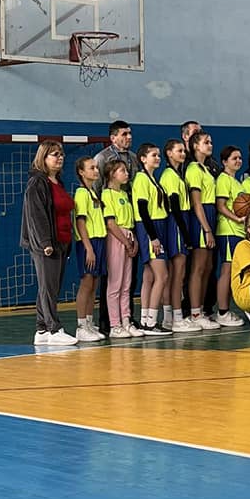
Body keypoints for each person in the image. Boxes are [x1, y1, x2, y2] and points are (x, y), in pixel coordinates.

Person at [20, 140, 77, 346]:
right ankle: (54, 329)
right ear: (43, 158)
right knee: (48, 288)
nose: (59, 158)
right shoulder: (37, 183)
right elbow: (36, 215)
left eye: (61, 154)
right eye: (54, 155)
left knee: (50, 287)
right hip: (46, 244)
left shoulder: (57, 182)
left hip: (61, 241)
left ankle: (42, 329)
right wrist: (46, 242)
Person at [93, 120, 138, 334]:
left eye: (130, 133)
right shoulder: (102, 158)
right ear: (113, 137)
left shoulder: (133, 158)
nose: (128, 137)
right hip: (113, 230)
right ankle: (111, 322)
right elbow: (95, 188)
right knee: (113, 281)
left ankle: (127, 320)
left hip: (128, 227)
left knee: (128, 282)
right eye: (124, 134)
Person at [159, 139, 200, 332]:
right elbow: (174, 207)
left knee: (177, 273)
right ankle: (176, 317)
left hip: (180, 222)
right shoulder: (169, 175)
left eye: (184, 151)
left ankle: (170, 318)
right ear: (169, 153)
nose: (183, 154)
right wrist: (185, 233)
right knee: (178, 273)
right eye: (179, 151)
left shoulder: (177, 175)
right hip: (176, 223)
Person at [102, 159, 144, 339]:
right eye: (122, 171)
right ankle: (115, 324)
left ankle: (126, 320)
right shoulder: (107, 194)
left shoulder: (125, 195)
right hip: (116, 238)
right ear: (112, 174)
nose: (126, 174)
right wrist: (125, 242)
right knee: (115, 284)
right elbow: (111, 223)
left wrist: (133, 241)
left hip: (128, 235)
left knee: (127, 284)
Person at [131, 143, 169, 336]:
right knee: (162, 276)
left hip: (156, 226)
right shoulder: (141, 178)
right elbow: (142, 209)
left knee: (149, 276)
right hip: (150, 228)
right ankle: (152, 322)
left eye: (159, 155)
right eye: (153, 155)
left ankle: (146, 318)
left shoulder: (152, 179)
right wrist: (153, 237)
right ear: (143, 159)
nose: (158, 158)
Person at [185, 131, 221, 330]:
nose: (210, 145)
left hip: (211, 214)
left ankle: (202, 310)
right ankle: (195, 313)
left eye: (211, 141)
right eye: (206, 142)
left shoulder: (206, 169)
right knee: (198, 267)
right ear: (195, 146)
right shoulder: (193, 169)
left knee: (208, 267)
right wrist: (206, 229)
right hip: (201, 218)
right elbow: (196, 203)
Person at [73, 157, 107, 342]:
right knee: (86, 283)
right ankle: (81, 326)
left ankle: (88, 322)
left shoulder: (93, 192)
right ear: (81, 172)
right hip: (88, 242)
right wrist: (88, 248)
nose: (96, 170)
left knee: (94, 283)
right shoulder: (81, 193)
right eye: (91, 168)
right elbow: (80, 222)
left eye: (96, 167)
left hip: (99, 241)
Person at [214, 146, 246, 326]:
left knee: (233, 270)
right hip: (228, 231)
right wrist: (237, 219)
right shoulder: (223, 179)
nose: (238, 161)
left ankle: (226, 310)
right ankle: (222, 312)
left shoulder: (238, 182)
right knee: (226, 270)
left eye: (240, 158)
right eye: (234, 158)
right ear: (225, 162)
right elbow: (221, 206)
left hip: (239, 231)